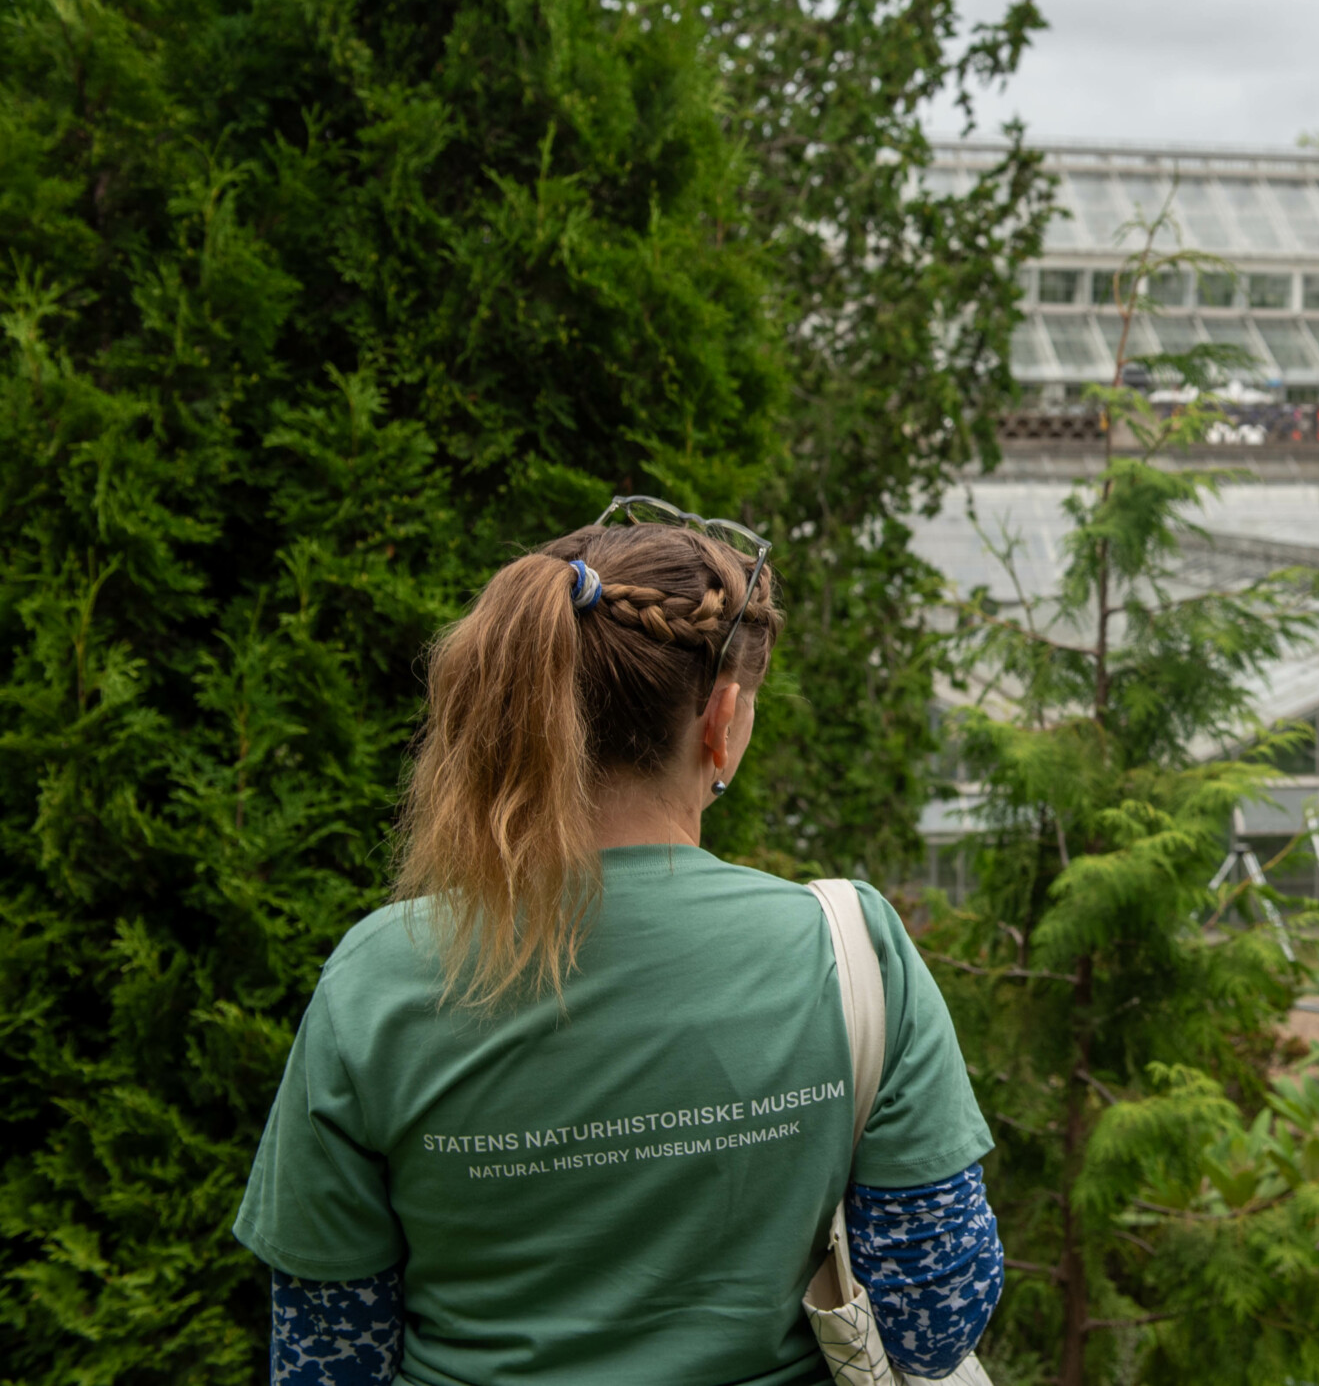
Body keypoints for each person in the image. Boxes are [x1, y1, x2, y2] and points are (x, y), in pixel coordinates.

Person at [235, 500, 1000, 1384]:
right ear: (721, 720)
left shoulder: (377, 978)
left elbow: (329, 1358)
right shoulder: (853, 953)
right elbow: (931, 1323)